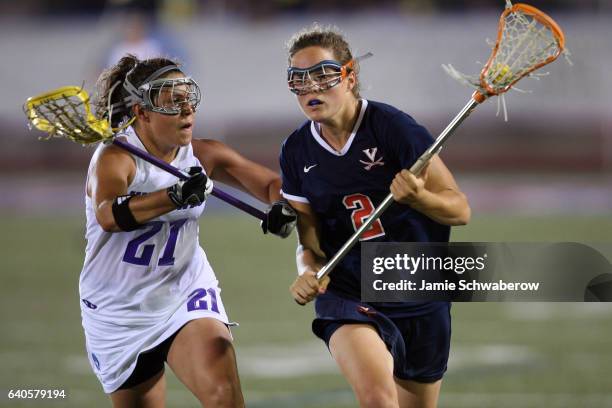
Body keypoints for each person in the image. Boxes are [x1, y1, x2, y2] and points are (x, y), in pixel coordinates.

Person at [80, 54, 295, 407]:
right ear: (142, 112)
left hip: (185, 290)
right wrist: (174, 196)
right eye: (172, 101)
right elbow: (108, 215)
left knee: (224, 397)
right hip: (118, 307)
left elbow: (271, 184)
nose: (186, 110)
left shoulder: (204, 155)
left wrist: (281, 208)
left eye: (188, 98)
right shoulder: (115, 158)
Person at [280, 25, 471, 408]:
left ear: (350, 76)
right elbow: (309, 241)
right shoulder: (297, 151)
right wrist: (306, 270)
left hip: (419, 287)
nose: (311, 88)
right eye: (299, 80)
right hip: (350, 291)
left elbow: (459, 210)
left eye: (323, 75)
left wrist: (418, 197)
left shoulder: (393, 128)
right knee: (378, 399)